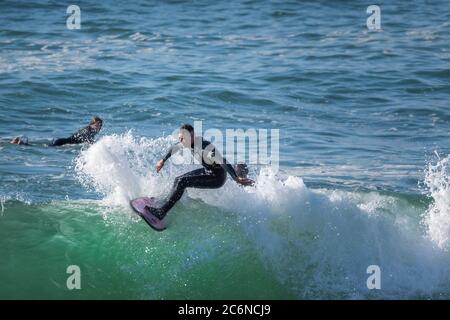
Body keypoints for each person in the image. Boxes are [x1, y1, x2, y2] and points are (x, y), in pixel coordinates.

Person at [148, 124, 254, 220]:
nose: (181, 141)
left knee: (182, 182)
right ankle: (165, 202)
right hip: (208, 171)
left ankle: (161, 212)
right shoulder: (188, 142)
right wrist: (163, 160)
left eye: (183, 139)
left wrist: (236, 178)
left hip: (217, 178)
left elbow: (222, 160)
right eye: (180, 138)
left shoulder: (205, 147)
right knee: (178, 180)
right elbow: (175, 147)